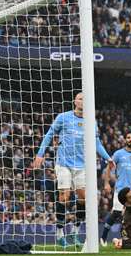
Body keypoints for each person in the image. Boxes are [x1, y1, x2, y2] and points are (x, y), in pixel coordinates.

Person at [30, 92, 111, 247]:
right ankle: (60, 233)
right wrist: (40, 154)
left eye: (85, 99)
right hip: (64, 163)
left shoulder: (91, 121)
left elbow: (97, 143)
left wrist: (108, 157)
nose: (82, 101)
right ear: (75, 101)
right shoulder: (63, 117)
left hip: (83, 165)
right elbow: (49, 135)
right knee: (64, 196)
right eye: (80, 98)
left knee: (83, 198)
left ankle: (75, 231)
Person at [100, 132, 131, 241]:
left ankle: (130, 237)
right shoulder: (118, 154)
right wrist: (106, 183)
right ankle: (103, 237)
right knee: (116, 212)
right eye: (128, 137)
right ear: (125, 139)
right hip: (121, 188)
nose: (130, 139)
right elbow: (108, 168)